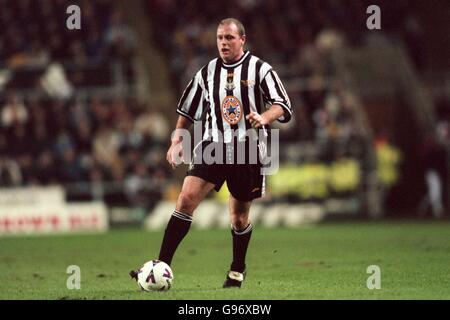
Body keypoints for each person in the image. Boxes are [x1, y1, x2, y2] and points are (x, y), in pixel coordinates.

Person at [130, 18, 292, 288]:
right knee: (185, 199)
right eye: (220, 38)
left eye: (229, 38)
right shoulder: (206, 73)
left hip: (247, 151)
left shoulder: (260, 69)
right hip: (212, 146)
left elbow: (283, 105)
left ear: (242, 39)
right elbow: (186, 111)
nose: (224, 43)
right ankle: (159, 266)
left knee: (239, 218)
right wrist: (176, 141)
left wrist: (264, 118)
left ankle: (237, 270)